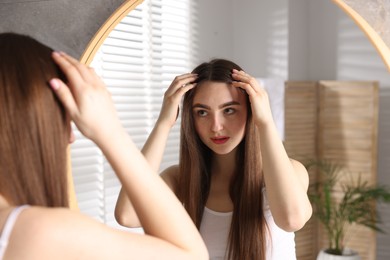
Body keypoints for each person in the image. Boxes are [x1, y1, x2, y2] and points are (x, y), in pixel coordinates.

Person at [0, 32, 208, 260]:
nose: (70, 137)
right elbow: (191, 256)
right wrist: (109, 130)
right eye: (65, 120)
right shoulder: (38, 232)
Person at [115, 58, 313, 260]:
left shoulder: (292, 172)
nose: (216, 126)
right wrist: (163, 124)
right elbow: (127, 215)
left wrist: (265, 122)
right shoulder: (181, 179)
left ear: (252, 109)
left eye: (229, 110)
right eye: (202, 112)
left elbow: (292, 219)